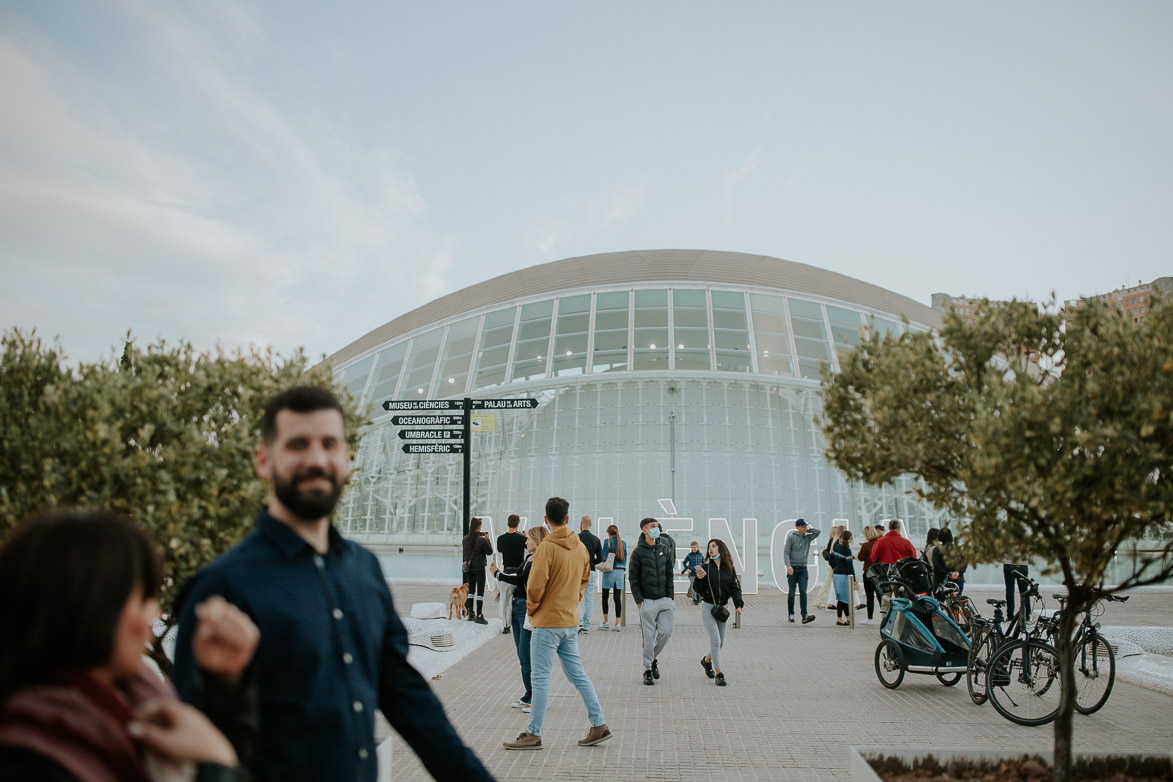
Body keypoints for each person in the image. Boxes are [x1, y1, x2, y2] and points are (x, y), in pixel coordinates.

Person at [173, 386, 493, 782]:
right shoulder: (222, 588)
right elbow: (193, 747)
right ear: (263, 460)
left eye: (329, 444)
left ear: (346, 459)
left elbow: (409, 700)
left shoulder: (364, 570)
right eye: (297, 445)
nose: (316, 458)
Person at [0, 508, 250, 782]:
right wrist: (218, 769)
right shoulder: (28, 759)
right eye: (143, 598)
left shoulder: (140, 702)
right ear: (92, 605)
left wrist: (223, 686)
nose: (153, 616)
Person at [504, 497, 611, 751]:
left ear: (545, 520)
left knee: (540, 678)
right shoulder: (580, 547)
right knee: (578, 675)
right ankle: (599, 724)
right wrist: (573, 601)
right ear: (567, 519)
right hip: (569, 621)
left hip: (547, 623)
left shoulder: (546, 549)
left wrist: (533, 611)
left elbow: (535, 586)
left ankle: (533, 733)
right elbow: (586, 578)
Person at [490, 525, 549, 714]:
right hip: (517, 606)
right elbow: (518, 576)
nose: (526, 542)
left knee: (526, 655)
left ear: (537, 541)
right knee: (521, 654)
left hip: (525, 607)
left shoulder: (539, 560)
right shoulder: (529, 558)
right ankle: (529, 694)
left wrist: (497, 574)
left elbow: (521, 578)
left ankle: (535, 697)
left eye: (529, 539)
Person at [628, 517, 676, 685]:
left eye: (657, 526)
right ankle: (648, 669)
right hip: (647, 601)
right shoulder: (638, 552)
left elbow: (669, 573)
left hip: (664, 599)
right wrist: (639, 600)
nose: (656, 528)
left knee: (665, 632)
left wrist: (670, 596)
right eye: (653, 526)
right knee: (648, 637)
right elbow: (633, 577)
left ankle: (653, 657)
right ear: (645, 530)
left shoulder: (664, 548)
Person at [693, 539, 744, 686]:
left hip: (723, 609)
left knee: (720, 642)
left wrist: (738, 604)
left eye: (714, 546)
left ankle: (706, 661)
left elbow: (735, 588)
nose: (711, 549)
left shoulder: (729, 568)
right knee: (715, 641)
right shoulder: (705, 568)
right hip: (708, 607)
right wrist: (698, 579)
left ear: (721, 549)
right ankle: (719, 673)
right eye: (709, 547)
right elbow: (698, 589)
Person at [784, 518, 821, 624]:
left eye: (805, 526)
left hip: (803, 569)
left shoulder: (807, 538)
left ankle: (804, 615)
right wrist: (788, 565)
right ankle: (791, 613)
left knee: (803, 592)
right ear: (797, 527)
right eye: (803, 526)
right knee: (791, 592)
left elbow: (818, 532)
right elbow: (786, 552)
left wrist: (809, 529)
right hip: (793, 568)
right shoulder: (791, 537)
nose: (804, 528)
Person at [496, 514, 527, 634]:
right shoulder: (522, 539)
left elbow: (499, 550)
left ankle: (506, 625)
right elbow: (529, 547)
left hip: (506, 572)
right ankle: (521, 621)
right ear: (518, 524)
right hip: (519, 573)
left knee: (505, 600)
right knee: (521, 598)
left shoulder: (501, 539)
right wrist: (525, 536)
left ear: (507, 523)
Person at [463, 517, 494, 624]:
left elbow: (466, 554)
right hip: (479, 568)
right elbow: (489, 552)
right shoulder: (482, 540)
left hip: (469, 569)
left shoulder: (465, 539)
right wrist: (487, 539)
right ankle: (479, 615)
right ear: (479, 527)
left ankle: (471, 613)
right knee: (480, 592)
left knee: (471, 591)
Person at [577, 515, 603, 633]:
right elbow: (601, 558)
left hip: (578, 571)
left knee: (575, 598)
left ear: (581, 523)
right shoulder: (596, 539)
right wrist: (591, 563)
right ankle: (586, 625)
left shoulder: (576, 538)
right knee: (589, 599)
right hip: (591, 571)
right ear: (590, 525)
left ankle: (579, 623)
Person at [598, 524, 626, 631]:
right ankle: (617, 624)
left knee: (605, 596)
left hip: (610, 571)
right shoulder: (623, 543)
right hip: (620, 572)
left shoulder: (607, 541)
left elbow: (603, 556)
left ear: (609, 533)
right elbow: (625, 558)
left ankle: (605, 622)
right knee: (617, 598)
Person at [812, 525, 845, 610]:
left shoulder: (831, 541)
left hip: (830, 565)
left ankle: (821, 602)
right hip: (833, 565)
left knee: (829, 584)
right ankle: (820, 602)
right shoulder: (835, 542)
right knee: (828, 584)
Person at [830, 530, 856, 626]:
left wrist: (835, 567)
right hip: (843, 575)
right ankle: (839, 618)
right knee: (843, 598)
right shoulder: (847, 550)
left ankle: (848, 618)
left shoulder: (837, 547)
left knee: (842, 597)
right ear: (849, 538)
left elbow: (830, 559)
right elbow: (850, 566)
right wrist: (853, 578)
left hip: (836, 574)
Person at [856, 526, 881, 624]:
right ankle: (885, 615)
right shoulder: (880, 543)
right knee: (880, 596)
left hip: (868, 572)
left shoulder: (866, 545)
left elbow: (861, 557)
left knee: (869, 596)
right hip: (879, 572)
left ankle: (870, 617)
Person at [932, 528, 966, 595]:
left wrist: (948, 574)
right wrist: (958, 572)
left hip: (942, 581)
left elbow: (937, 566)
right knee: (957, 601)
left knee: (940, 602)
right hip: (958, 579)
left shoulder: (936, 550)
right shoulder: (958, 549)